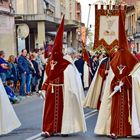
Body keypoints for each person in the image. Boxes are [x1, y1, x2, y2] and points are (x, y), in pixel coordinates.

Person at [94, 10, 140, 138]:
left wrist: (125, 81)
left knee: (128, 111)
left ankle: (127, 131)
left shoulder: (133, 61)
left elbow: (137, 77)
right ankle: (113, 130)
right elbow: (110, 78)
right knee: (114, 111)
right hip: (116, 92)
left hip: (128, 92)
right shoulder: (114, 61)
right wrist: (114, 84)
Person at [41, 16, 87, 138]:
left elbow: (71, 79)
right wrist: (44, 87)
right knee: (50, 111)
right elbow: (47, 76)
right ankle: (48, 129)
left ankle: (64, 128)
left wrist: (72, 91)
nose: (55, 55)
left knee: (64, 110)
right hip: (52, 90)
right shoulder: (50, 62)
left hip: (63, 90)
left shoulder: (66, 64)